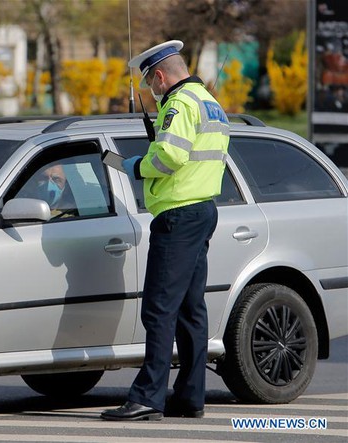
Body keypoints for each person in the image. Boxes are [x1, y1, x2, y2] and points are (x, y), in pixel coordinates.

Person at [101, 40, 229, 421]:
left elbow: (170, 156)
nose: (153, 93)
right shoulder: (209, 102)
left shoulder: (180, 104)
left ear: (160, 75)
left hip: (178, 215)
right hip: (203, 209)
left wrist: (136, 166)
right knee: (191, 309)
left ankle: (147, 397)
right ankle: (190, 397)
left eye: (151, 85)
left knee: (158, 308)